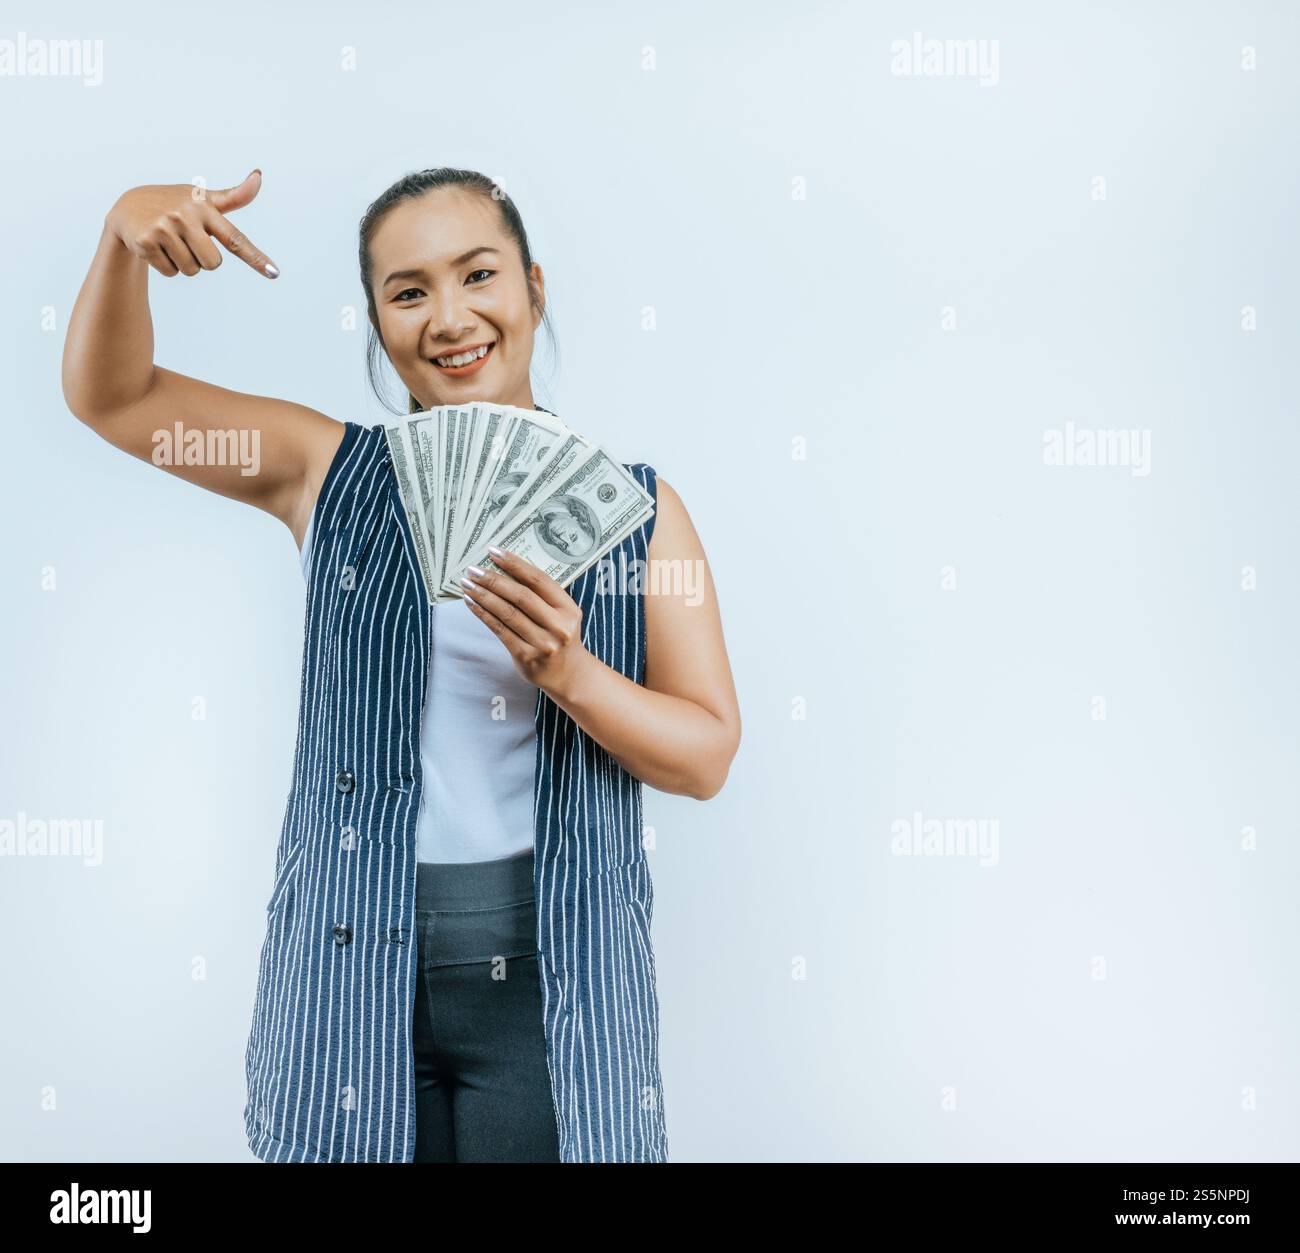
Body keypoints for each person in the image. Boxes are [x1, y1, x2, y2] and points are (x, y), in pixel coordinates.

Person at [61, 166, 742, 1162]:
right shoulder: (321, 469)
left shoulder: (638, 510)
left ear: (534, 289)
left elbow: (707, 753)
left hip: (553, 969)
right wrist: (121, 241)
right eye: (409, 291)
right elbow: (113, 398)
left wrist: (571, 675)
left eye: (478, 276)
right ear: (377, 320)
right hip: (351, 953)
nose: (450, 317)